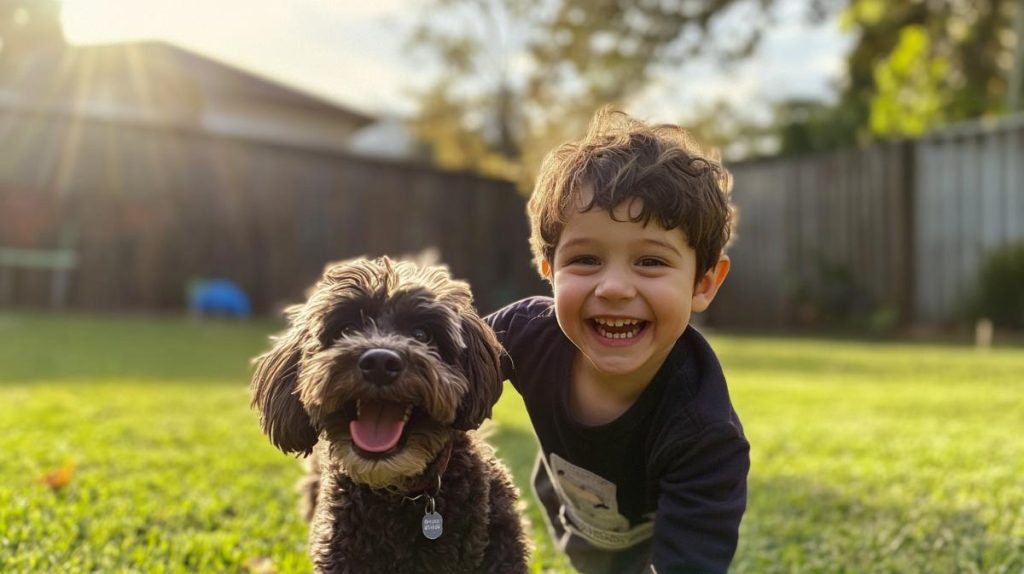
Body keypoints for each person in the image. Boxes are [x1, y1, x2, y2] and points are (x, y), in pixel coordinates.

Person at [485, 108, 749, 574]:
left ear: (704, 283)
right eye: (586, 259)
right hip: (569, 505)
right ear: (549, 270)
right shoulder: (524, 334)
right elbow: (443, 364)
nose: (614, 287)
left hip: (653, 533)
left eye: (650, 262)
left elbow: (693, 561)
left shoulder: (704, 433)